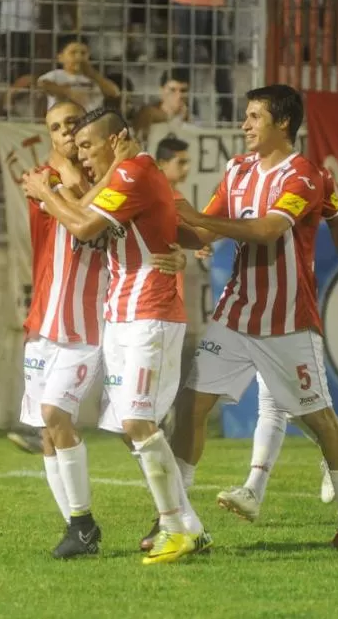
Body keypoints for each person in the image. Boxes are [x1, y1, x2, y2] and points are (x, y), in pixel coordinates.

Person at [170, 84, 338, 548]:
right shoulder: (238, 170)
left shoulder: (304, 177)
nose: (244, 125)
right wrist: (155, 224)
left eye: (254, 116)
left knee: (321, 422)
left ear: (283, 122)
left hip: (287, 323)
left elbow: (266, 231)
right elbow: (202, 227)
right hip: (236, 313)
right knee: (190, 405)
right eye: (245, 116)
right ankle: (176, 518)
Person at [23, 108, 207, 565]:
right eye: (74, 144)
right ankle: (189, 525)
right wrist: (183, 242)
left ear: (118, 139)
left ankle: (170, 525)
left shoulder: (133, 171)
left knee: (137, 425)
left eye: (88, 144)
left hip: (149, 315)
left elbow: (84, 224)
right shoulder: (123, 175)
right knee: (128, 428)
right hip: (121, 318)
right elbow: (100, 216)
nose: (82, 154)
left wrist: (48, 192)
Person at [17, 101, 107, 558]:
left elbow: (90, 224)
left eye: (73, 123)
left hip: (88, 324)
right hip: (43, 323)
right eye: (56, 127)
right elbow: (66, 207)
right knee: (47, 431)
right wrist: (65, 183)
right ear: (49, 136)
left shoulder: (105, 179)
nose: (66, 132)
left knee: (55, 413)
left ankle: (85, 523)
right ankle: (76, 528)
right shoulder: (37, 180)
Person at [37, 35, 121, 113]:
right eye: (73, 53)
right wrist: (69, 92)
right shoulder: (57, 75)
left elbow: (114, 93)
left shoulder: (95, 77)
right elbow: (42, 84)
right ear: (60, 58)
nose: (79, 57)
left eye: (83, 53)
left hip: (92, 121)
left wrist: (92, 74)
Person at [133, 69, 191, 143]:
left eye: (183, 90)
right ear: (162, 91)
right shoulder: (147, 113)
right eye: (172, 90)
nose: (179, 95)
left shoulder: (190, 117)